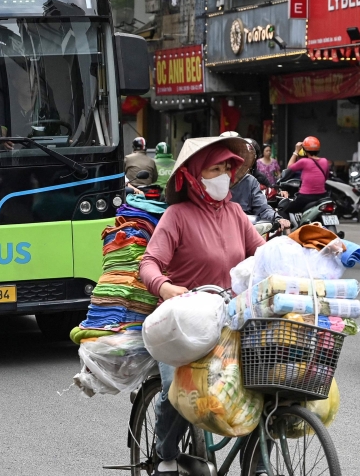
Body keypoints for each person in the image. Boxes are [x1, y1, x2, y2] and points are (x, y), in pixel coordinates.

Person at [139, 137, 263, 476]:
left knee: (260, 382)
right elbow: (149, 263)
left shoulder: (236, 213)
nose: (222, 175)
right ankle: (164, 454)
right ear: (194, 175)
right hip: (184, 323)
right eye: (214, 169)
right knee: (178, 392)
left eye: (226, 168)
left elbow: (262, 254)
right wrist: (165, 287)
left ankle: (257, 459)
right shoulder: (177, 216)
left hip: (229, 317)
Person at [286, 136, 330, 213]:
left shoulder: (304, 161)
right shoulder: (325, 161)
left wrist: (296, 151)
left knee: (285, 211)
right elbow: (326, 177)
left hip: (305, 197)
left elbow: (289, 167)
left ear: (304, 150)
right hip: (322, 196)